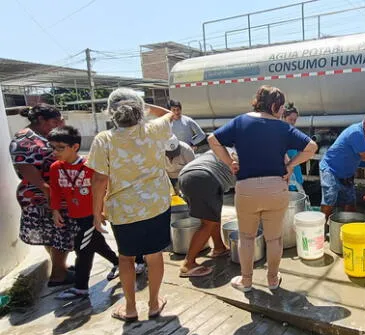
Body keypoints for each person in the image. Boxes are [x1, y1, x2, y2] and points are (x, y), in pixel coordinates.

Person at [208, 85, 317, 292]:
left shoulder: (240, 122)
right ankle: (273, 280)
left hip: (246, 188)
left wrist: (229, 162)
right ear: (274, 105)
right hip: (276, 187)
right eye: (282, 108)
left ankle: (247, 282)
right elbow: (311, 147)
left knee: (247, 237)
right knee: (274, 238)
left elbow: (212, 140)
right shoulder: (283, 127)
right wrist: (291, 164)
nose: (283, 112)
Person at [88, 88, 175, 322]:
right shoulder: (155, 129)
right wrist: (143, 106)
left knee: (126, 258)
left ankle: (130, 308)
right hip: (156, 205)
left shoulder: (104, 139)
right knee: (154, 255)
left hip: (124, 210)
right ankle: (154, 304)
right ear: (140, 109)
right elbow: (169, 113)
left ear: (110, 112)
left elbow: (99, 180)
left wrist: (96, 212)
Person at [47, 126, 120, 300]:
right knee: (96, 242)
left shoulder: (90, 166)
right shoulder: (56, 168)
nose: (55, 152)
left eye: (60, 148)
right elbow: (55, 191)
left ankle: (81, 287)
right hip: (75, 215)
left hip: (91, 215)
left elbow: (103, 188)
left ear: (75, 147)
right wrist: (55, 210)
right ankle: (119, 263)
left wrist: (101, 211)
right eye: (53, 148)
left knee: (83, 249)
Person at [10, 104, 76, 287]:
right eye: (54, 121)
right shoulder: (24, 139)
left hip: (51, 194)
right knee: (60, 233)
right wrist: (50, 194)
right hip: (41, 196)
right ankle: (58, 275)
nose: (58, 124)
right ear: (40, 120)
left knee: (52, 234)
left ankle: (60, 267)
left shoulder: (43, 136)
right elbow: (26, 169)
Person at [177, 149, 236, 278]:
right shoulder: (241, 155)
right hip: (204, 178)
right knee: (207, 224)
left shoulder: (226, 147)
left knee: (212, 216)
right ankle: (188, 263)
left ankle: (219, 247)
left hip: (187, 176)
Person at [282, 102, 305, 193]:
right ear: (283, 117)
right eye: (290, 119)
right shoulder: (280, 133)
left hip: (295, 171)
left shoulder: (294, 133)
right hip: (286, 173)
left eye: (294, 120)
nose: (292, 122)